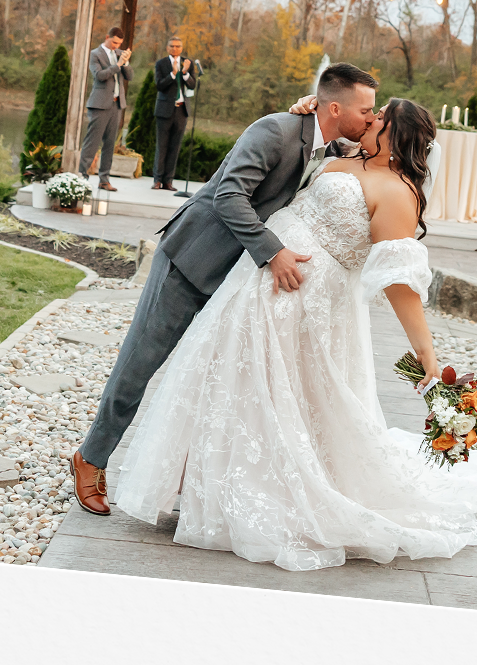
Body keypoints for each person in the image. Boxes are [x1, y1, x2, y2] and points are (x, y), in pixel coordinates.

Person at [108, 98, 477, 568]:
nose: (370, 119)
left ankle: (259, 490)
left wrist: (426, 351)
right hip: (255, 278)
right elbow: (311, 140)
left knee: (278, 394)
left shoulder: (398, 194)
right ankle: (200, 479)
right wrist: (308, 109)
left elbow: (399, 282)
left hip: (305, 302)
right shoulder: (347, 154)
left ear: (395, 135)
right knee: (224, 377)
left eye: (380, 117)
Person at [69, 62, 377, 515]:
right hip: (193, 259)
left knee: (210, 376)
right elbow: (229, 196)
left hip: (238, 281)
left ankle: (186, 476)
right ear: (335, 108)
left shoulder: (333, 145)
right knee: (140, 362)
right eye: (366, 110)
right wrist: (273, 252)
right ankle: (91, 457)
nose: (370, 118)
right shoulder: (274, 131)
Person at [80, 26, 132, 187]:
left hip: (116, 104)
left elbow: (129, 76)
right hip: (99, 105)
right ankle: (82, 177)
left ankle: (104, 179)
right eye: (114, 42)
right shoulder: (95, 54)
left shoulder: (119, 54)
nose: (117, 46)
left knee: (110, 143)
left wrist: (126, 62)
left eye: (119, 43)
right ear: (107, 37)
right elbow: (99, 76)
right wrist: (118, 65)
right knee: (92, 142)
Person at [152, 38, 202, 189]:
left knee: (175, 146)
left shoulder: (188, 63)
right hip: (164, 110)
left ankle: (168, 181)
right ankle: (157, 180)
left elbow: (192, 85)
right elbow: (159, 85)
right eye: (172, 46)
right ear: (167, 47)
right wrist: (173, 74)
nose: (175, 48)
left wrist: (185, 72)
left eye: (178, 46)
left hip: (181, 111)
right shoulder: (161, 63)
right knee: (162, 146)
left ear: (181, 48)